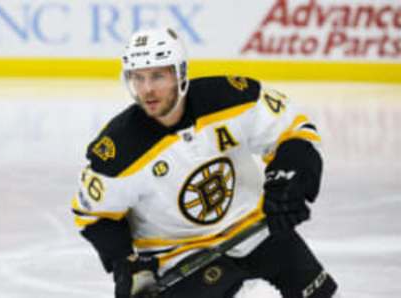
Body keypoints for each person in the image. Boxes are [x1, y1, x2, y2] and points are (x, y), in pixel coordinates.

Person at [71, 27, 338, 298]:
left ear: (181, 74)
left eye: (158, 76)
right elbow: (92, 215)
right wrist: (126, 263)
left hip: (256, 229)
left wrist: (289, 179)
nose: (147, 89)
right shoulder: (118, 150)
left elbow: (294, 131)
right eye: (137, 78)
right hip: (181, 256)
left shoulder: (230, 97)